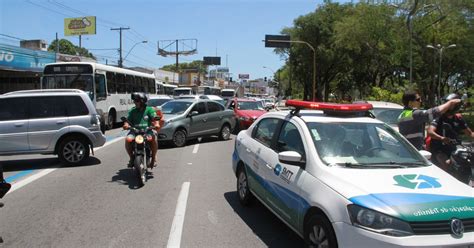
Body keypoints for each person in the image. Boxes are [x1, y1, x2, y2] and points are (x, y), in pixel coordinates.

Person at [427, 93, 474, 171]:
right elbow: (430, 131)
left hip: (453, 149)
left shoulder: (458, 119)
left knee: (465, 162)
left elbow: (470, 133)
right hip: (439, 149)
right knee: (447, 164)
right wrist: (442, 138)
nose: (447, 106)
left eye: (450, 104)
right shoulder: (439, 117)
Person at [123, 92, 160, 168]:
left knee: (153, 139)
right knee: (128, 139)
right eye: (134, 101)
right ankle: (131, 157)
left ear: (142, 101)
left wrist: (156, 123)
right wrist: (126, 125)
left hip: (147, 131)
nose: (134, 102)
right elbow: (127, 120)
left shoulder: (149, 110)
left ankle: (153, 157)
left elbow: (155, 117)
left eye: (136, 101)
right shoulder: (133, 111)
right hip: (135, 131)